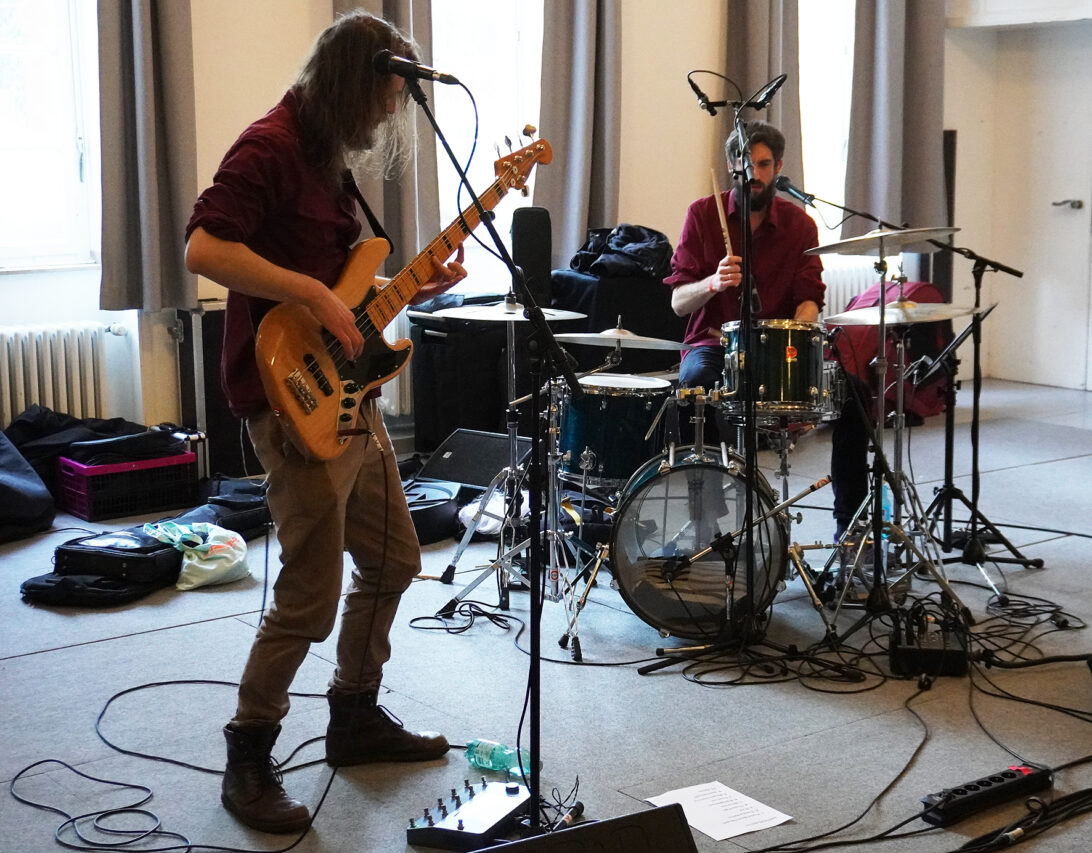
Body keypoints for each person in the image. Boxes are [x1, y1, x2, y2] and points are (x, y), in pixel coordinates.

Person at [184, 11, 466, 834]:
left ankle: (355, 713)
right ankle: (248, 749)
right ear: (352, 80)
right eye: (387, 93)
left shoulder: (327, 159)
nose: (391, 110)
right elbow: (204, 248)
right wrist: (306, 291)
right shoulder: (268, 147)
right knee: (308, 595)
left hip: (352, 399)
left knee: (395, 560)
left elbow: (344, 294)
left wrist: (414, 285)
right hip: (291, 402)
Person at [664, 120, 869, 545]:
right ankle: (707, 522)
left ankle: (849, 526)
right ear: (731, 164)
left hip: (781, 347)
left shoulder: (800, 224)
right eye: (745, 163)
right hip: (716, 343)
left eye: (762, 164)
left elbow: (809, 298)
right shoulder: (702, 214)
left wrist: (799, 336)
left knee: (856, 395)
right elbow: (678, 303)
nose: (753, 173)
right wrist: (712, 283)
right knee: (692, 388)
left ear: (778, 167)